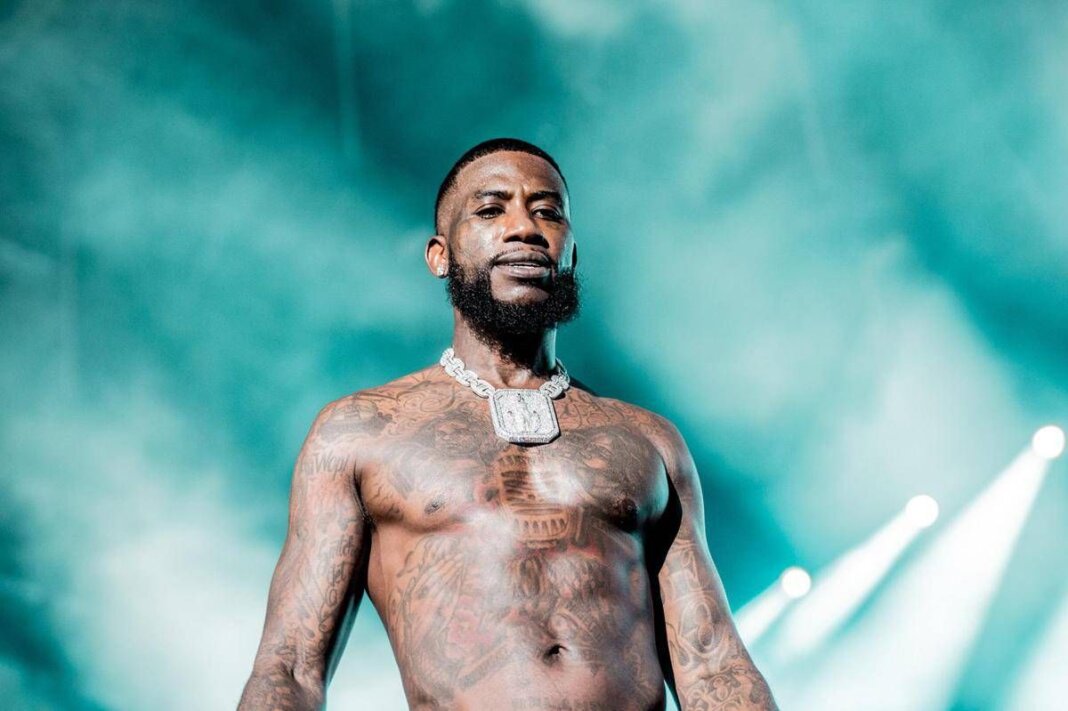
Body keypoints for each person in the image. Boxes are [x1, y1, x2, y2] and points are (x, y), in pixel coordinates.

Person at [238, 138, 777, 710]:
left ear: (571, 253)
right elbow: (290, 667)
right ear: (440, 256)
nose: (524, 228)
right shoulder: (359, 432)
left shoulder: (649, 441)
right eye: (491, 210)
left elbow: (714, 666)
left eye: (547, 212)